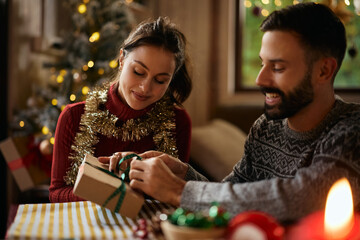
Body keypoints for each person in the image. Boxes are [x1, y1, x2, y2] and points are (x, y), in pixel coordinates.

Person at [125, 3, 360, 223]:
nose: (261, 79)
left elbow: (304, 198)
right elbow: (233, 194)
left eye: (277, 67)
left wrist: (178, 190)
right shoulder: (266, 128)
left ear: (324, 70)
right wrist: (182, 174)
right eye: (262, 64)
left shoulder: (351, 131)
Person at [49, 17, 193, 203]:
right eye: (139, 72)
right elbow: (57, 194)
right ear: (122, 59)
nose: (145, 88)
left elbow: (178, 195)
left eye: (160, 80)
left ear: (171, 79)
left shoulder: (178, 122)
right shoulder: (74, 117)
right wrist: (109, 190)